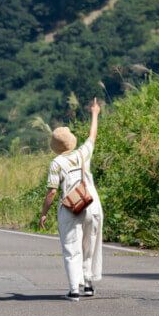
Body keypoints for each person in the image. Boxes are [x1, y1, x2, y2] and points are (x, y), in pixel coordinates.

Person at [39, 99, 103, 301]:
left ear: (55, 147)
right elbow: (92, 136)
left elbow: (51, 192)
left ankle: (74, 288)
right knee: (90, 244)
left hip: (70, 208)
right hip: (91, 204)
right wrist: (95, 113)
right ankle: (89, 284)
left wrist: (43, 213)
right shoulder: (83, 153)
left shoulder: (56, 163)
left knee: (71, 247)